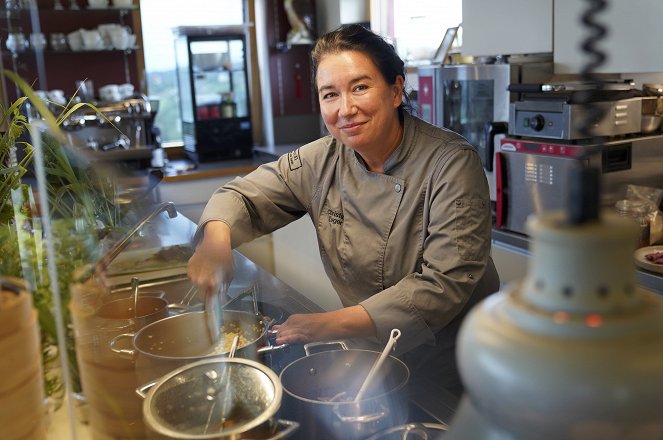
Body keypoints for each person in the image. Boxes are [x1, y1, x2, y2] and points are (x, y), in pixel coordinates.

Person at [187, 24, 500, 398]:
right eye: (330, 94)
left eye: (360, 87)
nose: (345, 109)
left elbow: (443, 285)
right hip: (374, 352)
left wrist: (329, 325)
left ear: (396, 90)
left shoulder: (451, 163)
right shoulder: (323, 159)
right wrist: (217, 243)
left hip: (454, 360)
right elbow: (243, 196)